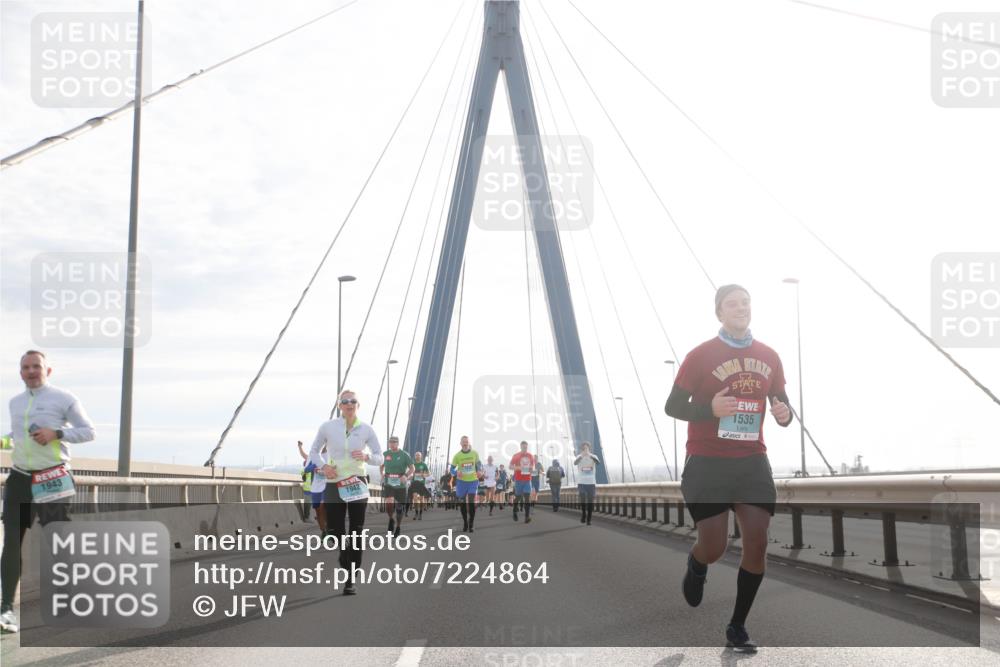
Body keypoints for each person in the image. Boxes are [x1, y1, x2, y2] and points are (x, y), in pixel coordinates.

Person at [664, 284, 792, 653]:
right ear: (719, 313)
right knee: (715, 546)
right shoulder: (700, 355)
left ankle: (737, 626)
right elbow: (673, 406)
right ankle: (697, 562)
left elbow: (782, 404)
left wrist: (785, 414)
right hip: (707, 461)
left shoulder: (770, 355)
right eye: (731, 304)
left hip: (751, 461)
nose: (740, 308)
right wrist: (709, 411)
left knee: (757, 540)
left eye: (745, 302)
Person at [2, 350, 96, 634]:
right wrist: (4, 441)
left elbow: (88, 431)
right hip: (19, 478)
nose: (31, 371)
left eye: (36, 366)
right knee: (11, 543)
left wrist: (57, 433)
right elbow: (18, 437)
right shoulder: (15, 402)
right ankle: (6, 608)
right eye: (26, 367)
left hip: (52, 478)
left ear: (48, 370)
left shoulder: (64, 398)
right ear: (20, 372)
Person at [311, 389, 383, 596]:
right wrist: (324, 467)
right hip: (334, 482)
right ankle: (344, 555)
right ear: (339, 405)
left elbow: (380, 456)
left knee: (357, 529)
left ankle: (351, 578)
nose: (349, 403)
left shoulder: (366, 429)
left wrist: (368, 457)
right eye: (345, 401)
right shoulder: (327, 427)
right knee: (335, 528)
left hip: (357, 482)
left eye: (353, 401)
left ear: (358, 405)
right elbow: (314, 452)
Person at [380, 436, 413, 537]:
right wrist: (382, 473)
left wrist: (406, 476)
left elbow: (412, 468)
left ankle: (398, 526)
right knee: (389, 503)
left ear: (398, 443)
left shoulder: (404, 455)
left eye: (394, 442)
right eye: (390, 442)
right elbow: (381, 465)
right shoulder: (385, 454)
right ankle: (391, 519)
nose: (392, 444)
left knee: (399, 508)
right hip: (389, 482)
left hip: (401, 484)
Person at [451, 436, 483, 532]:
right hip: (461, 482)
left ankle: (471, 523)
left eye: (466, 442)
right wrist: (456, 472)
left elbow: (479, 464)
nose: (465, 443)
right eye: (463, 442)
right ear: (460, 443)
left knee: (471, 501)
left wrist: (480, 471)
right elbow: (451, 469)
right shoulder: (457, 456)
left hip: (473, 481)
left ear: (469, 443)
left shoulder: (474, 453)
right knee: (462, 504)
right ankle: (465, 522)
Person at [298, 440, 327, 533]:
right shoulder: (313, 460)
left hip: (321, 488)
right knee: (316, 508)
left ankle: (326, 527)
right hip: (312, 488)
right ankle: (323, 529)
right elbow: (306, 467)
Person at [574, 442, 600, 525]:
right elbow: (575, 463)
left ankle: (589, 519)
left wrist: (590, 455)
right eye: (584, 448)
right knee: (583, 499)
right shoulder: (579, 457)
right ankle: (583, 514)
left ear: (589, 448)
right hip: (581, 482)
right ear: (582, 449)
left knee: (590, 502)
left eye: (587, 448)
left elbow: (598, 463)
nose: (585, 449)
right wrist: (582, 455)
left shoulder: (593, 456)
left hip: (591, 483)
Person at [509, 441, 535, 524]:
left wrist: (531, 469)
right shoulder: (516, 456)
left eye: (526, 447)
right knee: (518, 497)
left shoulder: (530, 456)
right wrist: (518, 468)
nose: (525, 449)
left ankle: (527, 516)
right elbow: (510, 466)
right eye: (523, 447)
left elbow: (532, 467)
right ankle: (514, 512)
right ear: (521, 447)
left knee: (527, 497)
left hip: (527, 479)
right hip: (519, 480)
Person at [407, 451, 432, 520]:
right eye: (416, 455)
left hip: (421, 483)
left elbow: (429, 473)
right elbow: (410, 473)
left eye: (418, 455)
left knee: (421, 499)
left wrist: (424, 475)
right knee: (415, 497)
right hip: (414, 483)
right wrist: (407, 477)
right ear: (415, 457)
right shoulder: (413, 465)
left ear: (421, 456)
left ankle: (420, 513)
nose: (417, 456)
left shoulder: (423, 465)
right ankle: (416, 513)